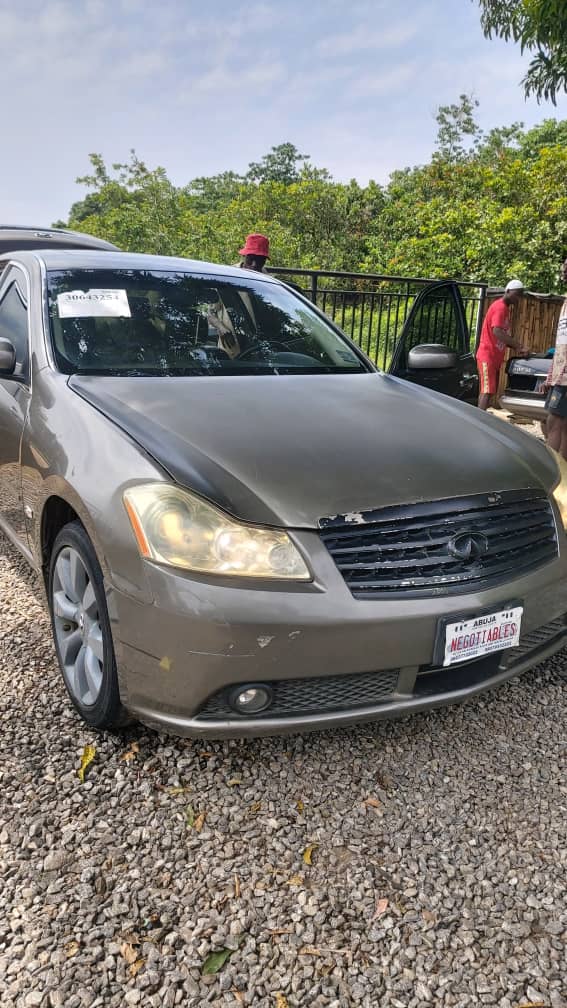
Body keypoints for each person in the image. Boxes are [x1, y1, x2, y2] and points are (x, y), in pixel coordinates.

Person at [476, 279, 529, 410]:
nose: (518, 298)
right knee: (487, 391)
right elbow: (497, 331)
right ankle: (478, 422)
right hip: (487, 355)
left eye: (520, 295)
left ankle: (481, 419)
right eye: (517, 294)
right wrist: (518, 346)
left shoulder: (505, 309)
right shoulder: (500, 307)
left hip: (494, 358)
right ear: (508, 291)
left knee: (489, 391)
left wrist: (518, 347)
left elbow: (503, 336)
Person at [543, 257, 567, 459]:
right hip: (560, 374)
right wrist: (551, 374)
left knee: (554, 420)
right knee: (561, 423)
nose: (564, 271)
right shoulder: (565, 301)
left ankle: (552, 469)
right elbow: (562, 342)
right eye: (564, 267)